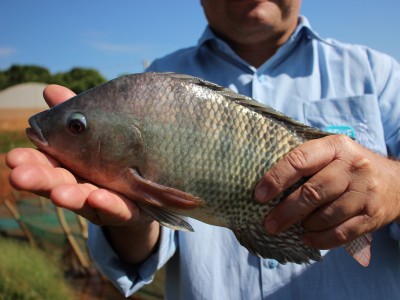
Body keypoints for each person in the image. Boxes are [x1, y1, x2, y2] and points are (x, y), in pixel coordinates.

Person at [6, 0, 400, 298]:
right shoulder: (151, 79)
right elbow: (150, 237)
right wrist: (132, 222)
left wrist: (393, 185)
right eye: (79, 126)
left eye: (77, 126)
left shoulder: (377, 72)